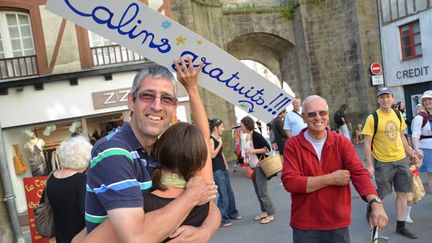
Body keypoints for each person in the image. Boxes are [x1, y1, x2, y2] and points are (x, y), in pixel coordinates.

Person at [79, 59, 220, 243]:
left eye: (166, 98)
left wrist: (205, 231)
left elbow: (209, 204)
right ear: (131, 101)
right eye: (147, 95)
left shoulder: (159, 152)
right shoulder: (113, 152)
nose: (157, 105)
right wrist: (191, 196)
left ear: (174, 108)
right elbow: (135, 239)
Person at [281, 95, 388, 243]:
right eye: (311, 114)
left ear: (328, 114)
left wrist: (375, 202)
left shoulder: (341, 142)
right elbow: (290, 182)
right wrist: (331, 178)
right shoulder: (293, 145)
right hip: (305, 223)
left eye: (322, 113)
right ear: (304, 118)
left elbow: (358, 173)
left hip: (336, 221)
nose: (318, 117)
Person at [362, 87, 420, 239]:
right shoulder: (372, 118)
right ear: (378, 100)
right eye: (382, 97)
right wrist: (370, 165)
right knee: (382, 193)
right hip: (383, 162)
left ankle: (401, 226)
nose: (385, 100)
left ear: (392, 98)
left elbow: (401, 136)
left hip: (401, 160)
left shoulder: (397, 114)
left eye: (388, 97)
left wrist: (410, 152)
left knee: (402, 193)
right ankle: (373, 206)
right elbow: (367, 143)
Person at [45, 136, 92, 243]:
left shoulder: (52, 177)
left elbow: (45, 205)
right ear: (84, 158)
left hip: (61, 236)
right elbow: (87, 213)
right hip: (82, 237)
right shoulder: (82, 180)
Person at [240, 116, 275, 224]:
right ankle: (264, 211)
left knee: (263, 192)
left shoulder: (256, 135)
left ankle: (270, 214)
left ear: (247, 125)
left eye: (242, 125)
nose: (241, 128)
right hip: (253, 167)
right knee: (257, 191)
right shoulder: (247, 136)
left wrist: (252, 150)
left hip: (260, 166)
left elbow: (267, 148)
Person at [209, 118, 241, 227]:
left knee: (229, 192)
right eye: (221, 126)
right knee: (223, 194)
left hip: (223, 168)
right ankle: (222, 218)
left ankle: (232, 213)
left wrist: (226, 164)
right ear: (215, 128)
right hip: (216, 170)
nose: (223, 128)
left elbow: (220, 154)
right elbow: (212, 154)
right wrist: (219, 144)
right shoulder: (211, 139)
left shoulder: (218, 138)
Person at [412, 90, 432, 193]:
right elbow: (415, 134)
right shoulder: (420, 117)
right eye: (425, 100)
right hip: (427, 149)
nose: (427, 101)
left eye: (429, 99)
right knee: (431, 174)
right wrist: (416, 148)